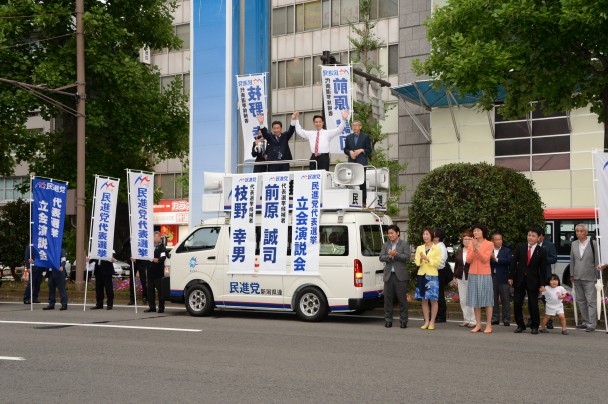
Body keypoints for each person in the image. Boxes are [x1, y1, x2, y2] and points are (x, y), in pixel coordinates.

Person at [509, 226, 547, 334]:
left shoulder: (542, 251)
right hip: (519, 279)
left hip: (533, 280)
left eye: (533, 236)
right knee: (517, 302)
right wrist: (510, 277)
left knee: (533, 304)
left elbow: (542, 269)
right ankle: (520, 325)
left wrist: (542, 284)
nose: (530, 238)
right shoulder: (520, 247)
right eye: (529, 235)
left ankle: (535, 326)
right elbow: (513, 263)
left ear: (539, 238)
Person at [569, 223, 600, 332]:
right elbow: (572, 260)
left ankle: (592, 323)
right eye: (577, 231)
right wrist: (571, 274)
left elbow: (597, 260)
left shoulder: (594, 243)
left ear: (586, 232)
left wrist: (598, 276)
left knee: (591, 301)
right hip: (577, 276)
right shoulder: (573, 244)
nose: (578, 233)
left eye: (581, 231)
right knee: (581, 300)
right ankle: (585, 321)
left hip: (590, 277)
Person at [379, 224, 410, 328]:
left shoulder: (404, 244)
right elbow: (381, 257)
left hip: (400, 276)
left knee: (402, 299)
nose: (390, 235)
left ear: (398, 233)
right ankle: (388, 320)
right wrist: (389, 256)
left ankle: (403, 321)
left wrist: (395, 254)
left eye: (392, 233)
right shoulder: (385, 245)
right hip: (389, 275)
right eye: (389, 233)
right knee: (388, 299)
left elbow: (407, 257)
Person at [466, 224, 495, 334]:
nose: (475, 233)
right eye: (474, 231)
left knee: (488, 300)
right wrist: (473, 249)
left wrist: (477, 248)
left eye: (477, 231)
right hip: (473, 273)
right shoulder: (471, 244)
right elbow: (468, 261)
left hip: (485, 274)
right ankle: (478, 324)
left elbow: (485, 259)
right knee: (475, 300)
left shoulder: (489, 244)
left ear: (483, 232)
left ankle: (488, 325)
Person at [414, 227, 442, 330]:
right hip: (422, 275)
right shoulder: (419, 248)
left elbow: (438, 263)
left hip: (432, 276)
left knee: (433, 300)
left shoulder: (437, 248)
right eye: (424, 234)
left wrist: (427, 258)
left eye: (427, 234)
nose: (425, 236)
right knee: (424, 300)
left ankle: (432, 322)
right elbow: (417, 262)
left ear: (431, 236)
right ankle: (426, 321)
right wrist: (421, 259)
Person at [343, 120, 372, 205]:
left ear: (360, 127)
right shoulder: (348, 137)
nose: (354, 127)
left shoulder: (365, 136)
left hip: (362, 162)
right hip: (352, 161)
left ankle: (363, 201)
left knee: (362, 181)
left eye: (356, 125)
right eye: (353, 125)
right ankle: (352, 200)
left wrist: (361, 150)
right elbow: (345, 149)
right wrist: (350, 152)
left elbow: (369, 150)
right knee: (351, 180)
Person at [452, 231, 476, 328]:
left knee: (471, 299)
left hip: (471, 276)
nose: (466, 240)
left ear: (472, 240)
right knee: (463, 299)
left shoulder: (475, 250)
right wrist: (454, 277)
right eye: (465, 239)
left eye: (469, 238)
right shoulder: (459, 251)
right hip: (460, 277)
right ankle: (466, 319)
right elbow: (456, 265)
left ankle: (473, 320)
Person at [490, 232, 512, 326]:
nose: (499, 241)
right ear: (492, 241)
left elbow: (509, 261)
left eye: (500, 239)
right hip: (492, 276)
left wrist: (496, 259)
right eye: (497, 239)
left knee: (505, 299)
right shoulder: (489, 250)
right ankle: (495, 318)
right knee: (493, 298)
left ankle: (506, 319)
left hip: (503, 277)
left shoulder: (506, 250)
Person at [538, 229, 558, 329]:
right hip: (533, 276)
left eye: (539, 236)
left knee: (547, 299)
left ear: (542, 236)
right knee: (532, 299)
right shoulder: (530, 245)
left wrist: (543, 259)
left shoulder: (549, 245)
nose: (537, 238)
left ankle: (549, 321)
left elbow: (554, 258)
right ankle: (533, 320)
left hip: (545, 276)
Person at [145, 231, 168, 313]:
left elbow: (163, 257)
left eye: (157, 237)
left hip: (158, 273)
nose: (156, 238)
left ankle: (161, 307)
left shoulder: (162, 248)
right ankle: (152, 307)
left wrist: (158, 260)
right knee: (150, 291)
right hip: (150, 272)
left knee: (160, 291)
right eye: (154, 237)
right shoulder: (149, 247)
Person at [122, 238, 148, 305]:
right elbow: (124, 244)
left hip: (141, 262)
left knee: (143, 280)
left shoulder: (142, 238)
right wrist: (130, 237)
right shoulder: (131, 239)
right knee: (132, 281)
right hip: (133, 262)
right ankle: (132, 299)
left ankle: (145, 297)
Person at [433, 228, 451, 323]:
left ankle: (441, 315)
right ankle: (436, 315)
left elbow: (441, 262)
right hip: (434, 271)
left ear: (437, 237)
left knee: (439, 294)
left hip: (439, 272)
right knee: (434, 294)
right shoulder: (435, 245)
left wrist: (432, 264)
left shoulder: (441, 247)